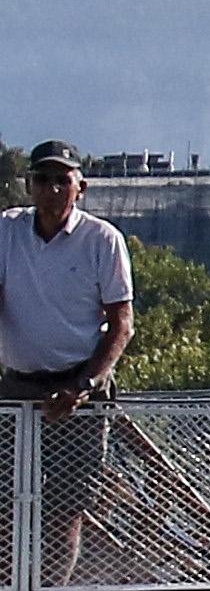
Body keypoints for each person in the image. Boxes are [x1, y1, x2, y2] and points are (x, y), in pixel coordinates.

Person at [2, 143, 132, 418]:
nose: (53, 189)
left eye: (62, 180)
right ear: (29, 185)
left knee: (78, 463)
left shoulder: (103, 240)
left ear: (81, 188)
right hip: (17, 388)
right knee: (11, 463)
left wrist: (83, 386)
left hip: (80, 387)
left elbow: (122, 324)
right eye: (42, 179)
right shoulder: (7, 230)